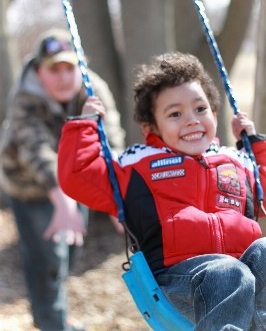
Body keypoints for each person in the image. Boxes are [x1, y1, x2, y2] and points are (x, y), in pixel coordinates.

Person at [58, 51, 266, 331]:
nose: (191, 120)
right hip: (179, 282)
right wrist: (84, 125)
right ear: (151, 127)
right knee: (226, 272)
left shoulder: (236, 162)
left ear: (214, 115)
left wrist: (255, 146)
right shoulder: (137, 166)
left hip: (244, 275)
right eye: (175, 114)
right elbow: (77, 175)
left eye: (200, 109)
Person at [0, 28, 125, 331]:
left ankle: (56, 311)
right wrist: (62, 200)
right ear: (39, 70)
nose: (64, 77)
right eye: (54, 70)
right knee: (47, 258)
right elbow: (37, 152)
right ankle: (52, 323)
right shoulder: (25, 97)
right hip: (30, 187)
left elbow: (110, 142)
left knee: (68, 252)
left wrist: (117, 199)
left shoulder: (93, 89)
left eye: (70, 68)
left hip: (74, 181)